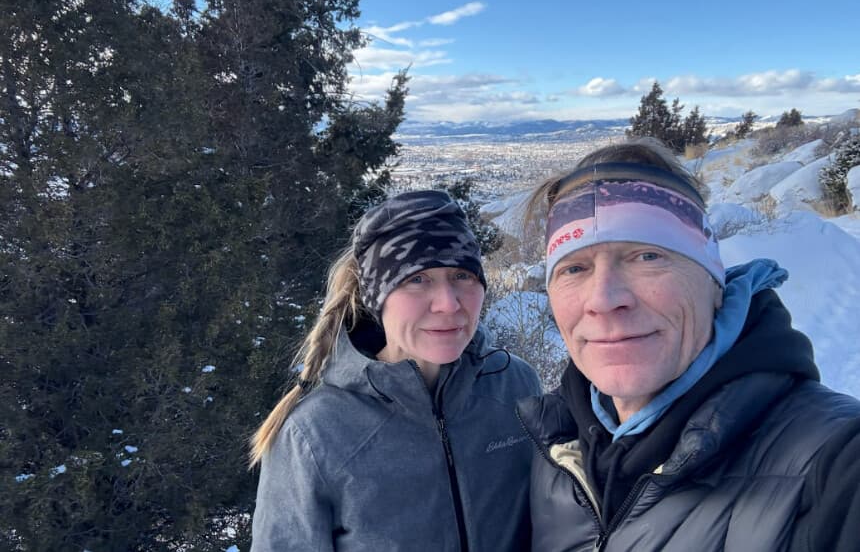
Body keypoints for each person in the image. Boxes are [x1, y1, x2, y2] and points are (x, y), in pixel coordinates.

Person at [516, 138, 860, 551]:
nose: (603, 300)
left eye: (647, 256)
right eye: (574, 267)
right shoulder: (558, 451)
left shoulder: (836, 462)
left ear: (713, 279)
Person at [249, 190, 541, 551]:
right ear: (376, 297)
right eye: (416, 280)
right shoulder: (315, 433)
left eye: (462, 275)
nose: (448, 303)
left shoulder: (515, 386)